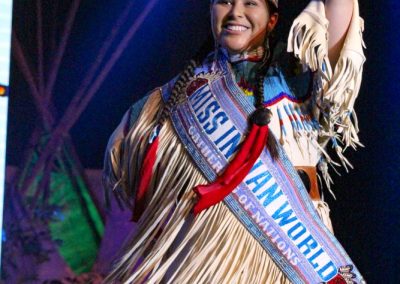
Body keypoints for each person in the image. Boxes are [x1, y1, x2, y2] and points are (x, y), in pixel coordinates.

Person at [103, 0, 366, 283]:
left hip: (289, 259)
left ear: (273, 19)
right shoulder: (178, 95)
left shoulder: (296, 77)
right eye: (225, 2)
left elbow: (338, 13)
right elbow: (125, 161)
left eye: (250, 3)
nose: (235, 12)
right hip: (203, 259)